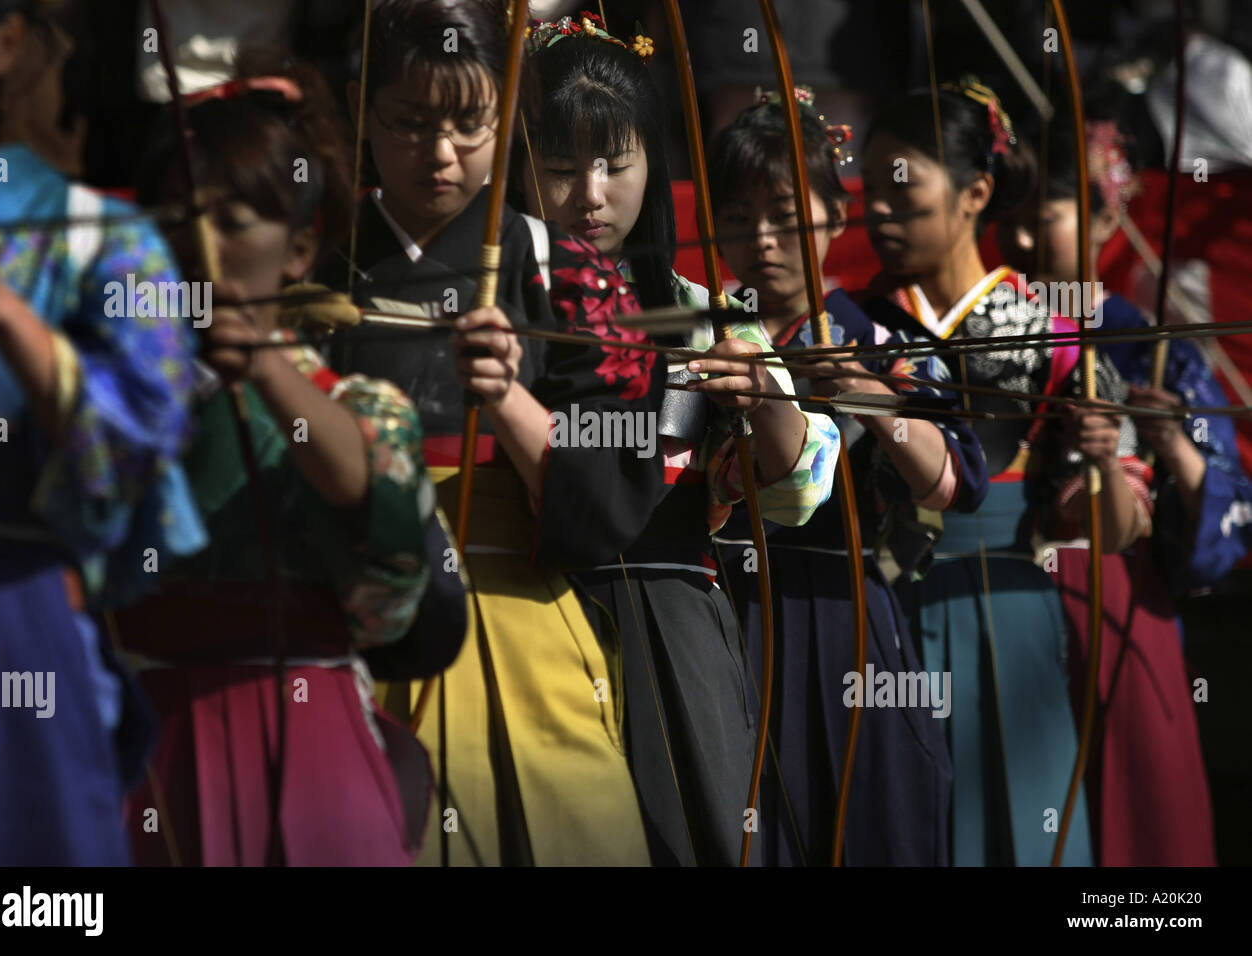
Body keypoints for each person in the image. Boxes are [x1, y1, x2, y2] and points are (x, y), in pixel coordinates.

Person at [326, 0, 666, 867]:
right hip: (353, 624)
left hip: (520, 618)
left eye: (471, 125)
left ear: (507, 118)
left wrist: (510, 397)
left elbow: (613, 495)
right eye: (408, 123)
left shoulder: (567, 270)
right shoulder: (321, 261)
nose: (440, 155)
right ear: (365, 114)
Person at [512, 17, 842, 866]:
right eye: (558, 168)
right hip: (527, 602)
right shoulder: (501, 306)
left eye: (616, 165)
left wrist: (764, 398)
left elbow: (799, 488)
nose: (590, 194)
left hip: (670, 609)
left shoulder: (705, 312)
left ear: (653, 166)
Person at [119, 53, 451, 867]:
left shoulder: (357, 404)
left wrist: (264, 361)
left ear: (300, 251)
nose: (196, 247)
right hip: (142, 740)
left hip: (306, 734)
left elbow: (362, 486)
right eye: (170, 221)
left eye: (230, 222)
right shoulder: (108, 399)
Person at [858, 77, 1150, 866]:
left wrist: (1101, 464)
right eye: (869, 191)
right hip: (879, 619)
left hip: (1010, 621)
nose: (877, 211)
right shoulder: (847, 331)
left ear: (975, 192)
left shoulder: (1055, 341)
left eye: (902, 190)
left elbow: (1115, 531)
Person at [707, 89, 987, 865]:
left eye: (786, 213)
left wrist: (870, 393)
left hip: (845, 616)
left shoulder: (880, 333)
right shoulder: (709, 330)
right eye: (736, 217)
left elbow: (958, 482)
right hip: (728, 612)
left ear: (834, 214)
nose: (761, 239)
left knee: (866, 822)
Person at [0, 0, 200, 865]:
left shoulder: (108, 242)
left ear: (6, 40)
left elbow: (144, 446)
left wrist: (3, 314)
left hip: (10, 627)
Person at [993, 118, 1231, 865]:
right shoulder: (983, 328)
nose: (1025, 243)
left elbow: (1219, 503)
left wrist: (1171, 449)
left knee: (1137, 834)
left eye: (1046, 220)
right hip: (996, 599)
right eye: (1010, 223)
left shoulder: (1146, 344)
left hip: (1116, 596)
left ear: (1104, 218)